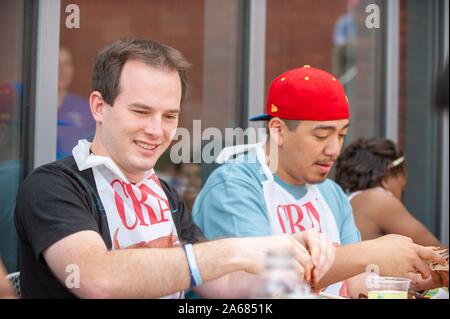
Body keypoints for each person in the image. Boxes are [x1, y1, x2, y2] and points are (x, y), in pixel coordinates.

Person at [14, 38, 336, 299]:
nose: (157, 130)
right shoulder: (53, 186)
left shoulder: (165, 194)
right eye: (141, 111)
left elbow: (222, 285)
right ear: (99, 107)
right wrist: (238, 249)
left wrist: (288, 263)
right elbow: (96, 280)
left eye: (170, 116)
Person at [192, 66, 447, 298]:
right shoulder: (234, 186)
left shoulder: (332, 194)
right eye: (321, 136)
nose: (334, 149)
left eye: (342, 135)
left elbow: (353, 282)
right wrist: (369, 253)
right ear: (278, 130)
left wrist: (417, 277)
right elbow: (253, 285)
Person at [334, 137, 441, 246]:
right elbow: (439, 253)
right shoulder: (378, 200)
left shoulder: (351, 201)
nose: (404, 187)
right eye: (403, 179)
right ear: (385, 178)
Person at [57, 47, 95, 160]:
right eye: (57, 63)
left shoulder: (86, 108)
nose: (61, 70)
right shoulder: (33, 104)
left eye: (66, 64)